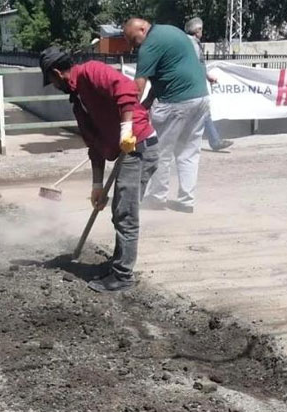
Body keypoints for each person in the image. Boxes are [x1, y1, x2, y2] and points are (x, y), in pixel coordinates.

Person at [39, 47, 159, 293]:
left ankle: (123, 276)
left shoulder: (92, 72)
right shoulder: (79, 101)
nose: (52, 85)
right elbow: (94, 145)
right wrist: (96, 186)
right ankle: (118, 265)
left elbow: (127, 90)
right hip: (129, 151)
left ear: (56, 73)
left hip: (140, 146)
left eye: (50, 80)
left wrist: (126, 130)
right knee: (120, 211)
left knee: (125, 213)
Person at [123, 18, 210, 214]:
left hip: (175, 102)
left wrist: (131, 112)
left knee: (160, 152)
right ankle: (186, 201)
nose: (132, 46)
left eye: (133, 39)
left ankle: (156, 197)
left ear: (142, 29)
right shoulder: (171, 30)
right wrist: (146, 104)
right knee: (189, 152)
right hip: (200, 98)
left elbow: (139, 85)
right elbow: (166, 74)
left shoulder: (149, 46)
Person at [185, 17, 233, 152]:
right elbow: (194, 64)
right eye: (201, 29)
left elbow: (198, 64)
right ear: (197, 30)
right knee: (199, 112)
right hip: (193, 84)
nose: (202, 32)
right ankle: (213, 141)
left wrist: (206, 76)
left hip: (194, 83)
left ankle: (214, 140)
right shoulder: (193, 44)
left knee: (203, 113)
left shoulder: (192, 43)